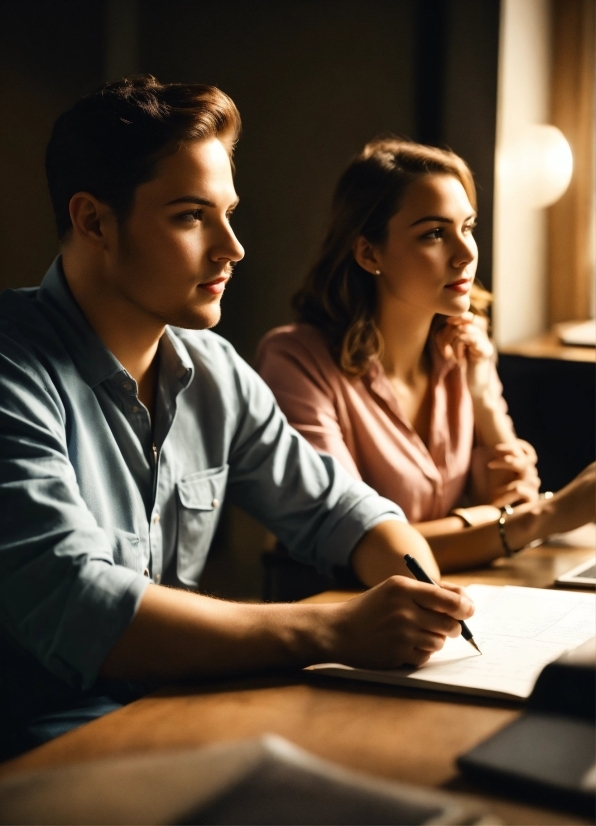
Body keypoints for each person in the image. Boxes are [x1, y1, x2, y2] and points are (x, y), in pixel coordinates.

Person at [0, 79, 476, 761]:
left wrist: (416, 593)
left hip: (181, 721)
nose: (233, 247)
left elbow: (344, 509)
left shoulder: (212, 370)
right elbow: (83, 607)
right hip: (38, 755)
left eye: (229, 214)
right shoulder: (12, 368)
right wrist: (333, 629)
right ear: (94, 220)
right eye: (192, 217)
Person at [257, 137, 595, 571]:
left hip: (454, 597)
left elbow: (515, 499)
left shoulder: (461, 351)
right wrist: (549, 517)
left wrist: (484, 400)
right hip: (337, 610)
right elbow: (362, 544)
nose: (466, 253)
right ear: (368, 252)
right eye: (435, 234)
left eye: (467, 227)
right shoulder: (296, 363)